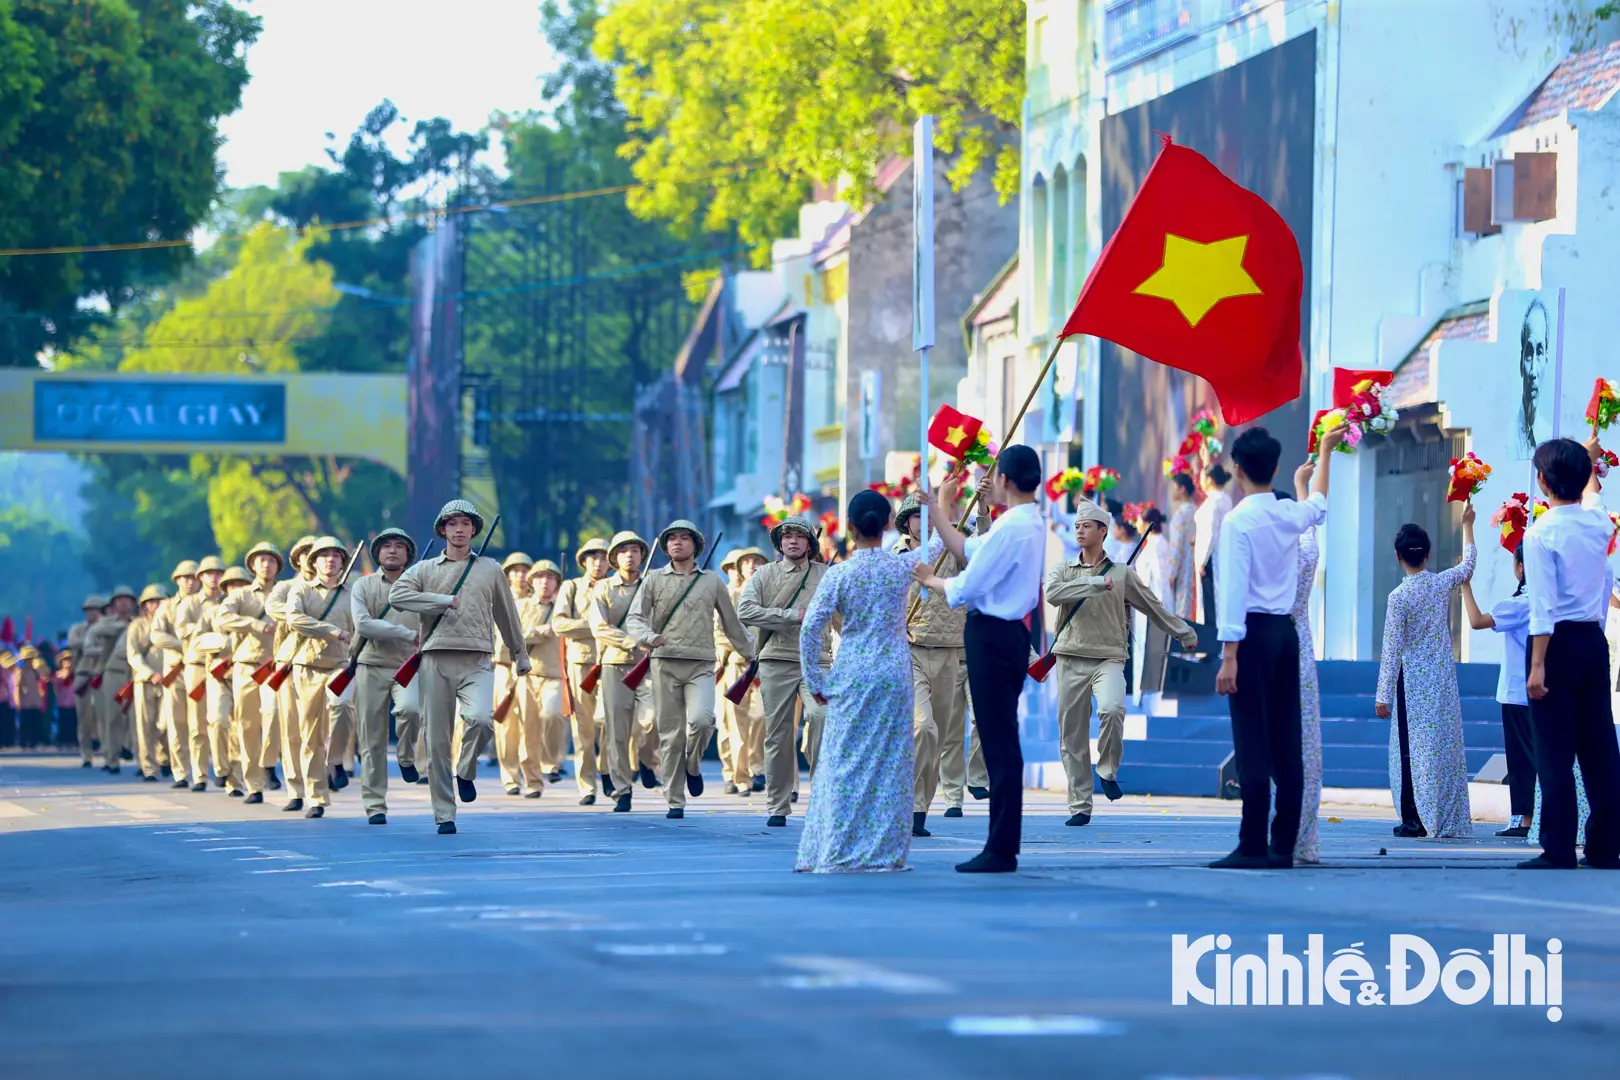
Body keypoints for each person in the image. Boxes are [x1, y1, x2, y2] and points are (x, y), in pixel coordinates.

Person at [1212, 422, 1343, 870]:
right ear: (1275, 468)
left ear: (1237, 469)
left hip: (1250, 634)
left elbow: (1232, 591)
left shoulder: (1238, 521)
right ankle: (1282, 843)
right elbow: (1320, 505)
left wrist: (1229, 654)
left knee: (1252, 739)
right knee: (1287, 741)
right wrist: (1326, 450)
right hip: (1287, 635)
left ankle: (1251, 843)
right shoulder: (1289, 514)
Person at [914, 444, 1048, 874]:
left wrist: (929, 579)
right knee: (998, 740)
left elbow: (964, 585)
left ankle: (1002, 847)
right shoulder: (1026, 523)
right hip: (1005, 635)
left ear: (1006, 480)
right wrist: (940, 508)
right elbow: (967, 547)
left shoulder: (1012, 528)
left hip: (992, 635)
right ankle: (1001, 842)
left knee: (998, 743)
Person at [797, 489, 939, 871]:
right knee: (891, 763)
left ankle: (837, 847)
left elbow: (811, 628)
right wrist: (940, 505)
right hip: (893, 672)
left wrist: (814, 680)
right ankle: (885, 851)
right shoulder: (903, 567)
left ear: (849, 526)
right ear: (889, 524)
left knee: (844, 762)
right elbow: (941, 543)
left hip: (852, 672)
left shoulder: (839, 573)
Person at [1045, 499, 1197, 827]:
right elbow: (1053, 594)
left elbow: (1153, 607)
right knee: (1070, 735)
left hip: (1109, 658)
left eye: (1087, 526)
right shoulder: (1063, 570)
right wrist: (1096, 583)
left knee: (1113, 709)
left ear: (1103, 531)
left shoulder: (1122, 572)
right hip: (1070, 657)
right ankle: (1080, 804)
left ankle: (1108, 770)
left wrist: (1183, 632)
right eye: (1077, 526)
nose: (1080, 530)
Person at [390, 501, 531, 834]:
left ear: (473, 529)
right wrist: (439, 601)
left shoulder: (490, 569)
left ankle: (466, 770)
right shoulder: (424, 570)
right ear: (442, 530)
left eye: (465, 523)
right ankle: (444, 813)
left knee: (482, 720)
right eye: (452, 523)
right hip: (435, 658)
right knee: (437, 741)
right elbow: (397, 595)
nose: (458, 529)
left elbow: (507, 614)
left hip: (478, 658)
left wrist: (519, 652)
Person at [1520, 436, 1620, 869]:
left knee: (1554, 751)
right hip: (1592, 644)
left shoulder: (1540, 532)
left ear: (1542, 481)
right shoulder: (1600, 524)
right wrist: (1591, 460)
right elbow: (1595, 498)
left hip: (1555, 644)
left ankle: (1559, 847)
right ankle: (1605, 847)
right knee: (1600, 748)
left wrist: (1538, 665)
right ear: (1584, 479)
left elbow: (1541, 604)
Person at [626, 520, 754, 820]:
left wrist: (751, 655)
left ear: (696, 545)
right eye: (672, 539)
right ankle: (674, 800)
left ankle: (693, 763)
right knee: (670, 735)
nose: (677, 543)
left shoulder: (711, 581)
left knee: (702, 720)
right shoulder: (654, 579)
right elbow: (635, 619)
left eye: (684, 538)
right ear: (666, 546)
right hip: (664, 663)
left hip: (701, 664)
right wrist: (648, 637)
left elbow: (731, 624)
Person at [1374, 513, 1478, 839]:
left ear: (1398, 556)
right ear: (1428, 554)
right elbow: (1469, 565)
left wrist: (1383, 694)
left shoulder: (1399, 597)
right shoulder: (1441, 582)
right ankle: (1443, 813)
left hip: (1413, 682)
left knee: (1410, 749)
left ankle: (1415, 818)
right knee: (1440, 747)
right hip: (1442, 677)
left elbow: (1391, 649)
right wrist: (1468, 524)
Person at [737, 514, 829, 829]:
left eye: (800, 536)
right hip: (776, 660)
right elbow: (745, 610)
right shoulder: (763, 574)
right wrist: (791, 615)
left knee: (822, 718)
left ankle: (822, 798)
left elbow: (846, 614)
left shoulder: (827, 574)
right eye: (787, 536)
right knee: (777, 734)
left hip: (817, 661)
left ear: (810, 543)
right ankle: (777, 805)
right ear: (779, 542)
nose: (793, 541)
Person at [891, 493, 968, 836]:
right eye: (916, 516)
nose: (923, 521)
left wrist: (978, 507)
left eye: (929, 514)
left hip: (950, 651)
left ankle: (921, 806)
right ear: (906, 523)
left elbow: (980, 563)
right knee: (923, 728)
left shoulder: (955, 548)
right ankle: (908, 802)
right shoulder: (896, 556)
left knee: (940, 734)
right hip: (911, 651)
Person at [1460, 544, 1535, 838]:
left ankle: (1526, 820)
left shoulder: (1518, 604)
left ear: (1519, 567)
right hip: (1537, 690)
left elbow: (1477, 621)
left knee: (1521, 758)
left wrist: (1465, 586)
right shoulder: (1548, 600)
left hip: (1517, 692)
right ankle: (1529, 817)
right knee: (1533, 756)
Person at [348, 528, 422, 825]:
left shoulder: (418, 586)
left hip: (408, 666)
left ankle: (406, 756)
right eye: (386, 546)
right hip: (370, 665)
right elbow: (364, 625)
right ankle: (375, 804)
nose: (392, 551)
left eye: (399, 546)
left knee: (410, 709)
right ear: (377, 553)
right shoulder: (362, 586)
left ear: (408, 554)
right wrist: (406, 634)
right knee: (371, 740)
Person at [285, 537, 357, 819]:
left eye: (336, 555)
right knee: (310, 735)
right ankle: (316, 797)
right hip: (308, 666)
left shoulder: (352, 593)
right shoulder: (300, 589)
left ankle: (337, 760)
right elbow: (294, 619)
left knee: (342, 707)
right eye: (323, 555)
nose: (330, 560)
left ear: (342, 561)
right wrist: (333, 631)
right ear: (313, 562)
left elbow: (361, 625)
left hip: (340, 664)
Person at [590, 530, 659, 811]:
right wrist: (631, 642)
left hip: (650, 665)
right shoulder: (603, 588)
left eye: (634, 550)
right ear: (614, 558)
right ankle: (622, 789)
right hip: (615, 664)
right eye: (623, 551)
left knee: (653, 719)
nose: (629, 555)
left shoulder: (654, 585)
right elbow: (599, 627)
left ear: (643, 555)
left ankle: (645, 759)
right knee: (617, 731)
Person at [216, 542, 284, 804]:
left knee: (273, 712)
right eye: (261, 560)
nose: (266, 565)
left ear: (278, 565)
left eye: (271, 560)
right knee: (246, 726)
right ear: (252, 566)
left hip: (274, 664)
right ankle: (254, 785)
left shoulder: (286, 591)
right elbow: (223, 618)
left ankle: (268, 763)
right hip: (245, 666)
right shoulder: (241, 595)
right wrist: (254, 624)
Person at [552, 537, 610, 800]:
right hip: (580, 663)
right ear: (584, 561)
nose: (598, 562)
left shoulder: (618, 588)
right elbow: (559, 624)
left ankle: (609, 772)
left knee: (612, 723)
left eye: (603, 557)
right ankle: (587, 785)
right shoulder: (571, 587)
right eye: (593, 557)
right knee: (583, 728)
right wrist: (597, 625)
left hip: (613, 661)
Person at [1285, 481, 1325, 865]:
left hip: (1269, 650)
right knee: (1307, 749)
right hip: (1302, 655)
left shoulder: (1267, 561)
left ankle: (1274, 834)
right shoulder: (1307, 554)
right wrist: (1305, 486)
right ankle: (1306, 841)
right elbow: (1314, 517)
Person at [519, 560, 570, 794]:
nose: (544, 582)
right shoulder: (520, 606)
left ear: (557, 583)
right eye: (539, 577)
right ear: (532, 581)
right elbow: (511, 637)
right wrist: (540, 632)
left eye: (550, 577)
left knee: (552, 715)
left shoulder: (564, 607)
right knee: (527, 730)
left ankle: (551, 764)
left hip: (555, 674)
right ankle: (532, 781)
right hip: (526, 675)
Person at [495, 551, 543, 797]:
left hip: (531, 669)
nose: (521, 575)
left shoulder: (541, 603)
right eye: (515, 570)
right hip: (503, 666)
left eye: (525, 570)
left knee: (531, 725)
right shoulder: (496, 597)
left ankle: (533, 779)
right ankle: (510, 777)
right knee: (506, 727)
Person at [86, 587, 137, 773]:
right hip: (112, 671)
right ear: (114, 603)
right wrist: (119, 630)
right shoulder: (105, 623)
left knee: (135, 717)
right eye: (120, 599)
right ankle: (111, 758)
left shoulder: (138, 622)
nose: (124, 603)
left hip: (135, 672)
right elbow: (89, 646)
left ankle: (136, 754)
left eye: (127, 599)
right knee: (112, 716)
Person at [125, 585, 168, 781]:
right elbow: (133, 655)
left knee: (165, 724)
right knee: (145, 726)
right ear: (145, 605)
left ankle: (165, 759)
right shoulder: (137, 626)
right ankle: (149, 767)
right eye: (151, 601)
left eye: (160, 600)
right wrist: (149, 673)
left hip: (169, 679)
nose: (156, 604)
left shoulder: (172, 623)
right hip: (144, 680)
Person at [1194, 463, 1234, 626]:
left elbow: (1210, 533)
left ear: (1209, 480)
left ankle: (1212, 647)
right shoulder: (1225, 499)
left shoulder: (1213, 502)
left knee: (1210, 604)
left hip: (1211, 558)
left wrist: (1202, 561)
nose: (1200, 481)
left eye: (1202, 477)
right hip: (1222, 554)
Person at [66, 596, 103, 768]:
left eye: (95, 609)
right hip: (84, 673)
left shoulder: (107, 628)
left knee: (103, 714)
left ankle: (107, 749)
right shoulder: (78, 629)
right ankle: (86, 754)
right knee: (84, 717)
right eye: (88, 609)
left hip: (103, 674)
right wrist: (93, 641)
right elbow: (73, 642)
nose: (91, 612)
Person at [1165, 473, 1198, 622]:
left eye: (1174, 488)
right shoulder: (1196, 510)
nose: (1172, 492)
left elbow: (1176, 546)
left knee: (1181, 611)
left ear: (1182, 489)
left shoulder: (1181, 514)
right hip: (1195, 567)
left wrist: (1171, 573)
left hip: (1182, 568)